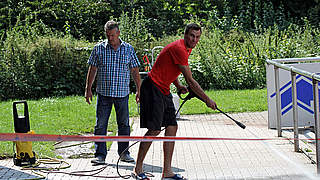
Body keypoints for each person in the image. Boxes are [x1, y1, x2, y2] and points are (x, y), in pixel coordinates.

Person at [133, 23, 217, 180]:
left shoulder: (186, 49)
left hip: (164, 90)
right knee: (154, 130)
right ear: (185, 35)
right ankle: (137, 169)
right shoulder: (179, 48)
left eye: (198, 37)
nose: (194, 39)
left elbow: (172, 67)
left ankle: (167, 172)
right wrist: (207, 100)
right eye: (192, 36)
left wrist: (177, 85)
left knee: (172, 127)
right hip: (152, 88)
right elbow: (191, 81)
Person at [85, 20, 141, 165]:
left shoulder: (128, 49)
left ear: (118, 33)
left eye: (113, 35)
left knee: (123, 124)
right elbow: (92, 69)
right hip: (103, 94)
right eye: (108, 35)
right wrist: (88, 89)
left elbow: (134, 70)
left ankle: (124, 153)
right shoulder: (99, 49)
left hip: (122, 94)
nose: (110, 39)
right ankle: (100, 155)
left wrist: (139, 89)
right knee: (100, 125)